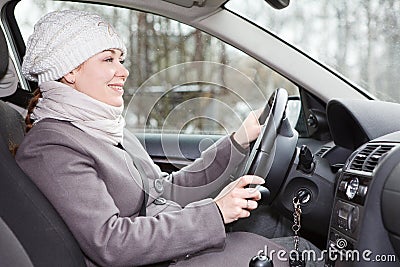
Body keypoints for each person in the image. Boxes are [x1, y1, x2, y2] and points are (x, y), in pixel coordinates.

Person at [16, 10, 322, 267]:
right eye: (108, 60)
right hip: (152, 260)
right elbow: (111, 242)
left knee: (277, 223)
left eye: (120, 59)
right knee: (304, 254)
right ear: (69, 71)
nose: (123, 71)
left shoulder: (102, 127)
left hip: (166, 243)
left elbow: (164, 189)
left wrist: (239, 141)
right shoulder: (52, 147)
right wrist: (214, 212)